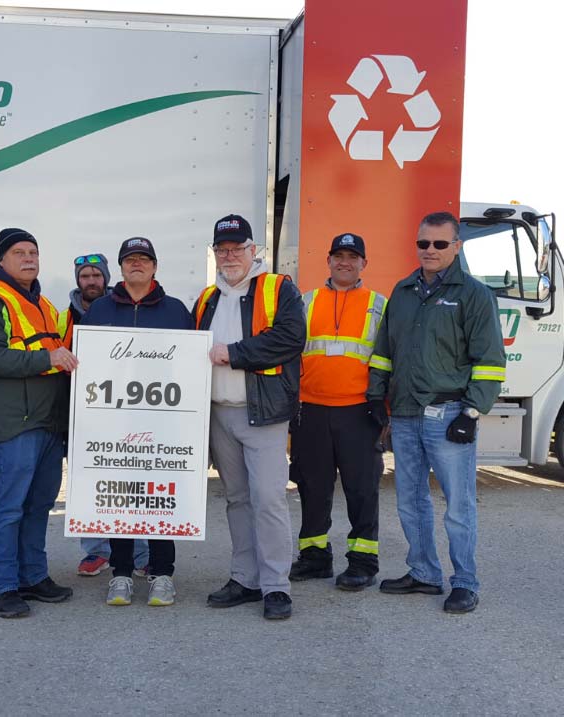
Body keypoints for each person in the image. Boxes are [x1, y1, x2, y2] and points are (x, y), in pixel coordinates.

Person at [368, 211, 506, 614]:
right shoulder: (404, 290)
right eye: (423, 243)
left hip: (449, 415)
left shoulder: (474, 295)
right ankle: (424, 573)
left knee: (458, 506)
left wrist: (472, 413)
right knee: (410, 500)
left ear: (456, 246)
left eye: (440, 244)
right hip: (407, 415)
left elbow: (490, 360)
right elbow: (384, 351)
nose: (430, 250)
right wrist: (377, 396)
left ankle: (464, 582)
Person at [0, 228, 77, 619]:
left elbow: (67, 351)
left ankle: (33, 576)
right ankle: (2, 586)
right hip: (14, 424)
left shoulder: (43, 303)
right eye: (19, 253)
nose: (29, 259)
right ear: (2, 261)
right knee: (8, 508)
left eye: (34, 252)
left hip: (48, 424)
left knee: (39, 506)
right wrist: (48, 360)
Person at [195, 214, 305, 620]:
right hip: (219, 415)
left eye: (236, 248)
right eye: (221, 250)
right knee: (238, 500)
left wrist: (233, 353)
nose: (229, 256)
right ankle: (245, 578)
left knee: (269, 500)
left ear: (253, 250)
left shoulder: (279, 289)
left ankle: (276, 586)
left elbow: (291, 339)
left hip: (264, 415)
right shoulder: (207, 298)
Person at [81, 237, 192, 607]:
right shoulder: (98, 309)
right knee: (120, 499)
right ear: (122, 267)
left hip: (163, 423)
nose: (137, 264)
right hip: (114, 423)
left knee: (162, 499)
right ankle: (122, 574)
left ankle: (162, 574)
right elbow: (88, 367)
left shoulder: (177, 311)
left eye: (145, 259)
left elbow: (189, 370)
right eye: (130, 259)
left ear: (155, 267)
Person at [288, 233, 387, 591]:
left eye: (352, 256)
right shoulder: (306, 301)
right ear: (328, 261)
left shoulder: (379, 304)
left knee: (362, 490)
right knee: (312, 487)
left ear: (364, 264)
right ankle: (315, 558)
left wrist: (383, 406)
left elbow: (389, 358)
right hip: (311, 410)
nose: (345, 262)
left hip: (359, 412)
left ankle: (363, 562)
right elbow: (290, 351)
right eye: (338, 256)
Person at [58, 252, 150, 578]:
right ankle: (95, 551)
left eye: (97, 275)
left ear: (106, 278)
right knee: (88, 482)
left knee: (130, 482)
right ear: (78, 281)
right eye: (85, 276)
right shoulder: (63, 317)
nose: (92, 281)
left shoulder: (119, 307)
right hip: (82, 412)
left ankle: (140, 554)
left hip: (125, 411)